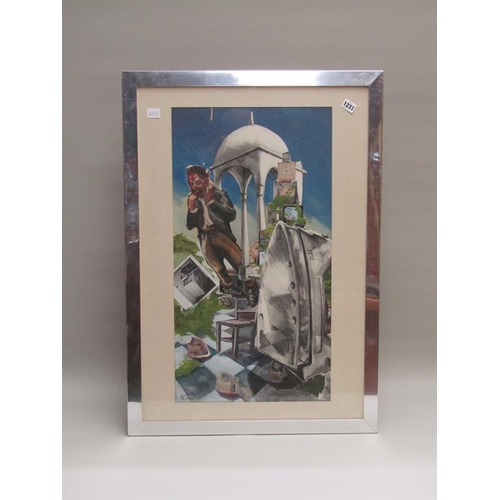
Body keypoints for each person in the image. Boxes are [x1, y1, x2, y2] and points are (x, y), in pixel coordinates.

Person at [185, 165, 242, 292]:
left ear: (206, 179)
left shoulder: (219, 194)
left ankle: (251, 287)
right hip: (205, 236)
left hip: (221, 234)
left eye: (198, 182)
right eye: (191, 183)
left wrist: (211, 202)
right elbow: (190, 225)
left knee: (238, 261)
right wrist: (192, 209)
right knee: (217, 267)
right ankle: (229, 287)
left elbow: (231, 215)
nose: (194, 187)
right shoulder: (194, 200)